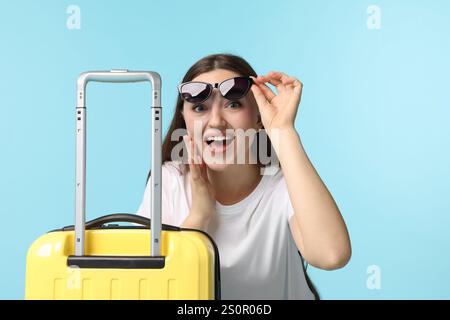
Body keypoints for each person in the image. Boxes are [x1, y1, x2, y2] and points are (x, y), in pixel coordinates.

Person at [137, 53, 351, 299]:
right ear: (184, 119)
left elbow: (331, 254)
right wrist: (199, 217)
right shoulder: (170, 181)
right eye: (199, 107)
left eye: (233, 104)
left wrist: (283, 130)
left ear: (258, 116)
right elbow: (152, 289)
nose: (216, 121)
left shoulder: (284, 187)